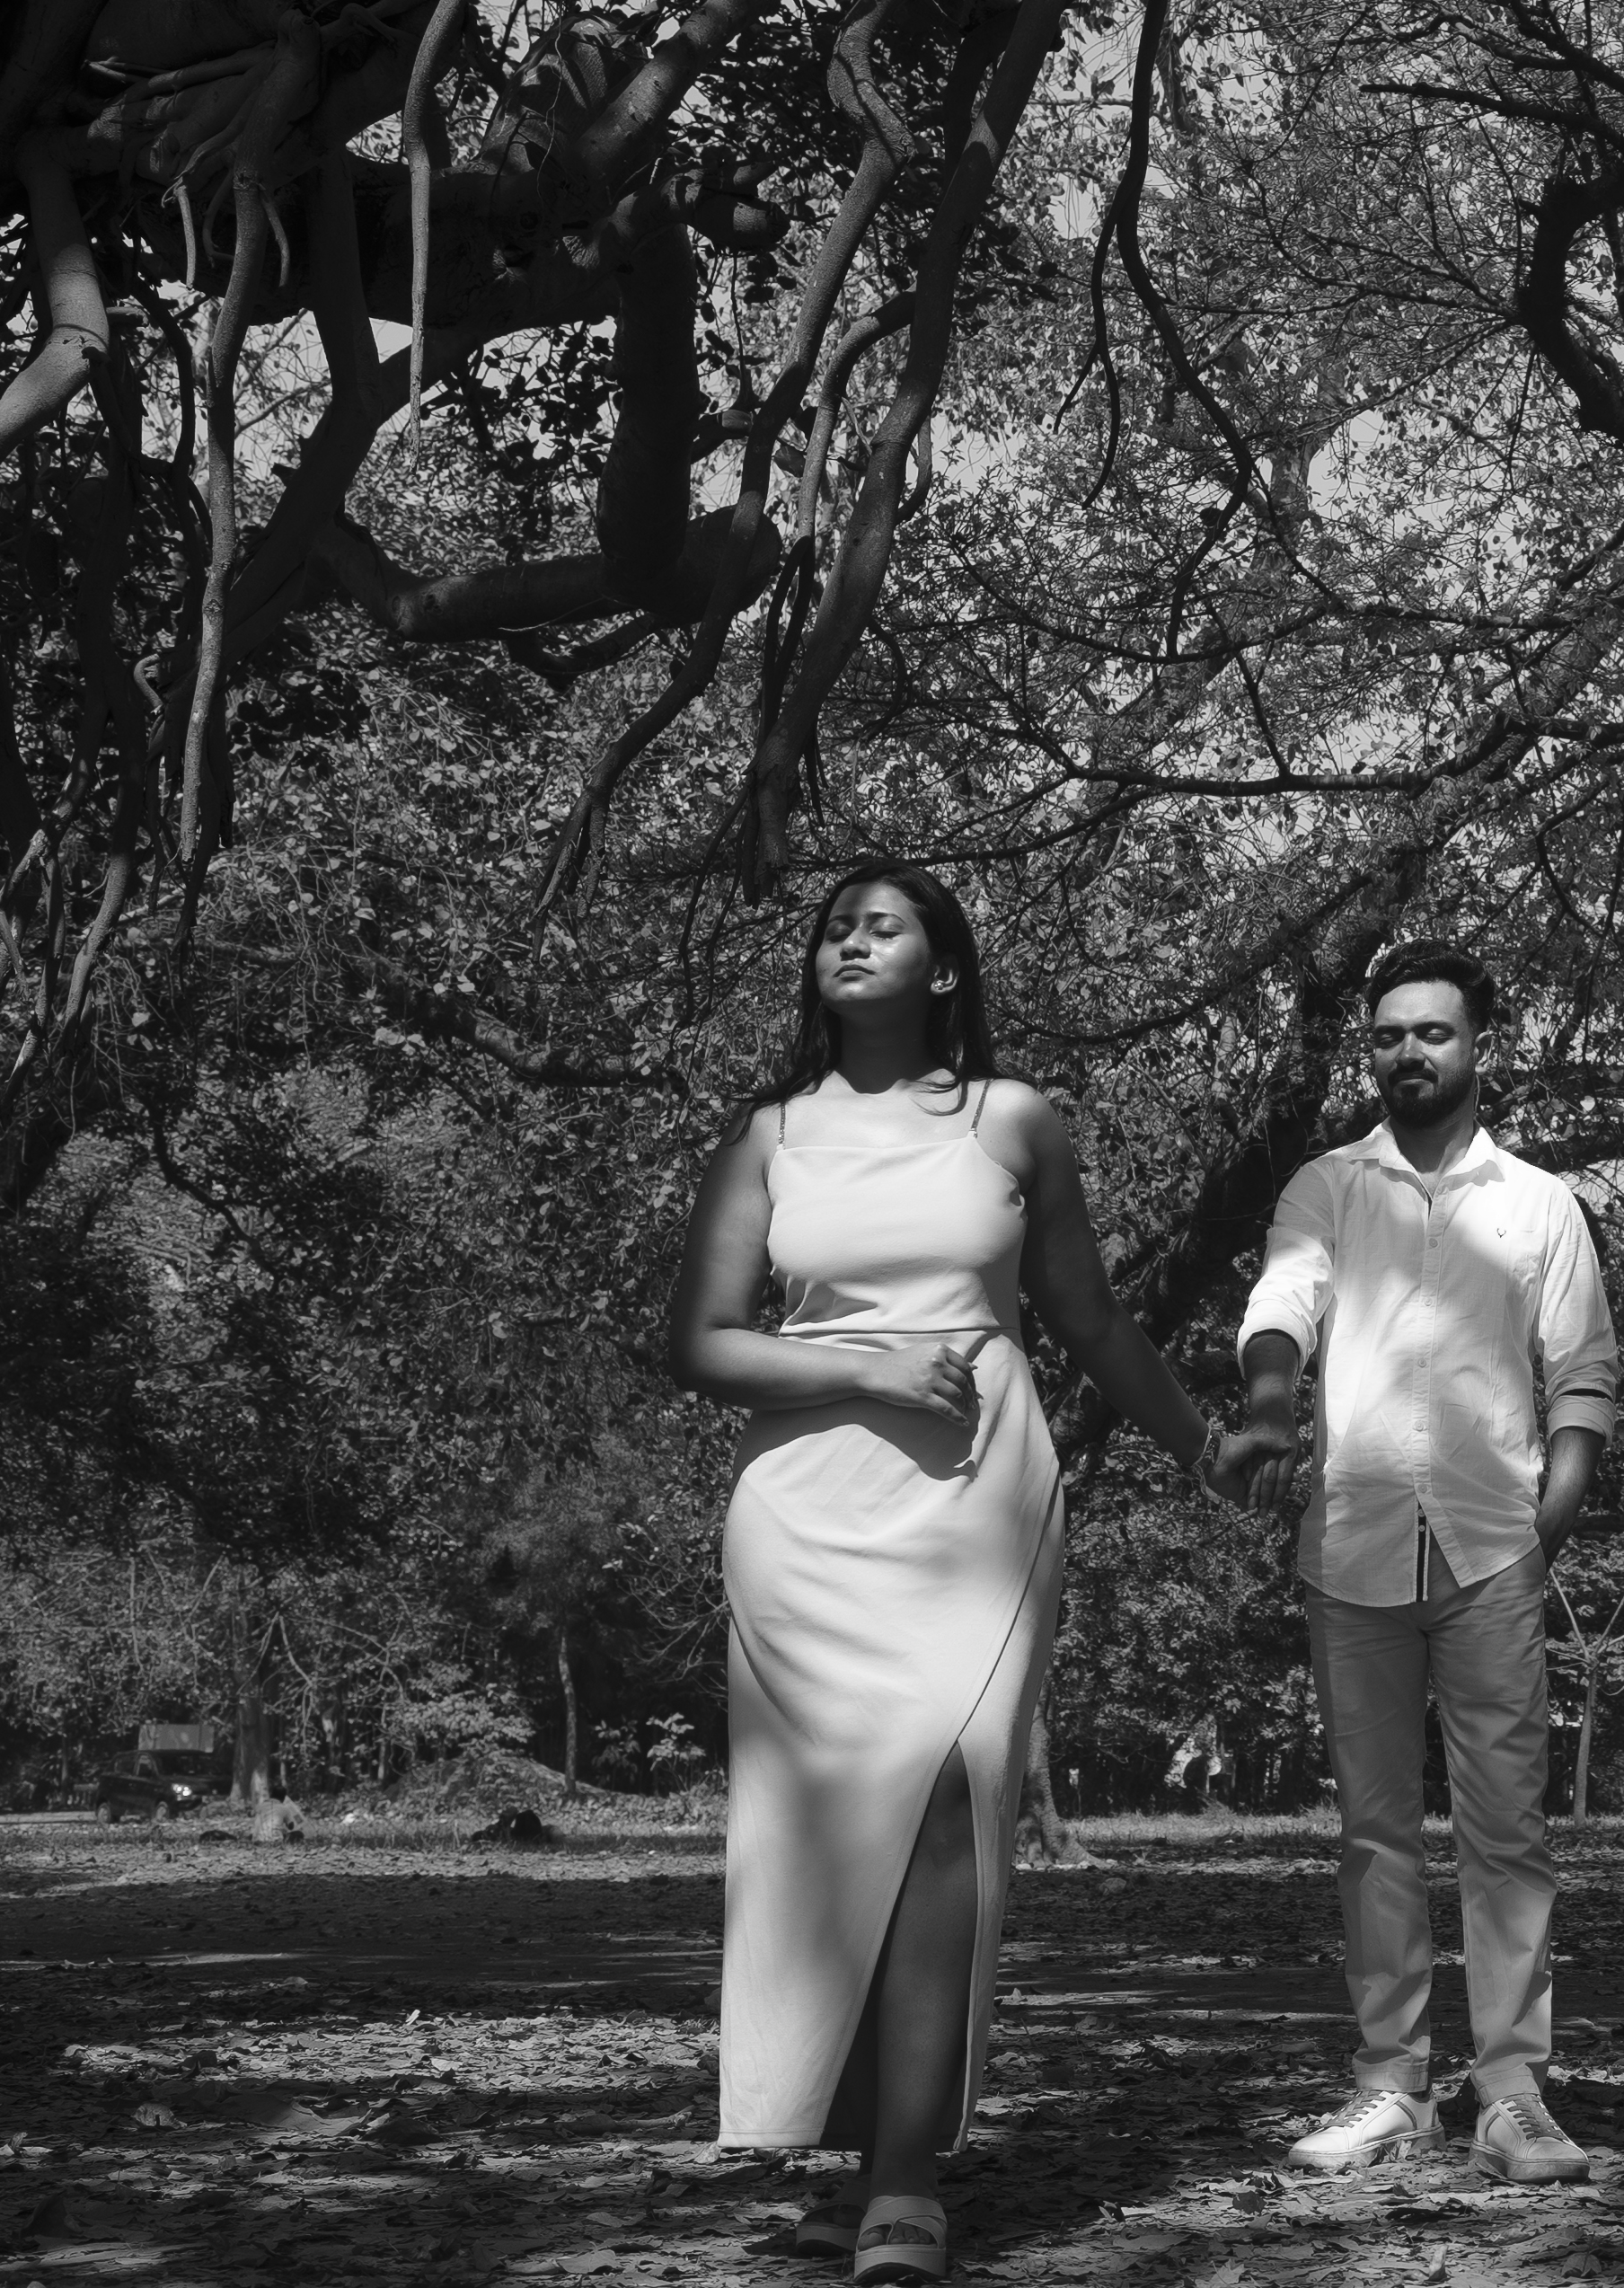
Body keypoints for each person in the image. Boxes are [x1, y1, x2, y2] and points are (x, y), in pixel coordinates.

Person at [674, 861, 1219, 2283]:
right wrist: (865, 1364)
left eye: (883, 925)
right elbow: (703, 1341)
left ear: (945, 971)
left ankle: (905, 2173)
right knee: (818, 1838)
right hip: (806, 1520)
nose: (848, 941)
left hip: (978, 1509)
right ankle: (837, 2148)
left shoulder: (1013, 1121)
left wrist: (1205, 1449)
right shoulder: (770, 1138)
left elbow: (1092, 1323)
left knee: (945, 1811)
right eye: (833, 928)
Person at [1218, 940, 1620, 2186]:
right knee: (1376, 1832)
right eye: (1388, 1035)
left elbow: (1582, 1371)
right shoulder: (1328, 1187)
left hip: (1495, 1550)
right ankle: (1391, 2087)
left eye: (1431, 1033)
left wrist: (1550, 1513)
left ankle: (1510, 2092)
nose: (1406, 1053)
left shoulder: (1540, 1204)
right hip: (1353, 1549)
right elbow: (1281, 1305)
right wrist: (1273, 1403)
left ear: (1480, 1048)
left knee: (1508, 1833)